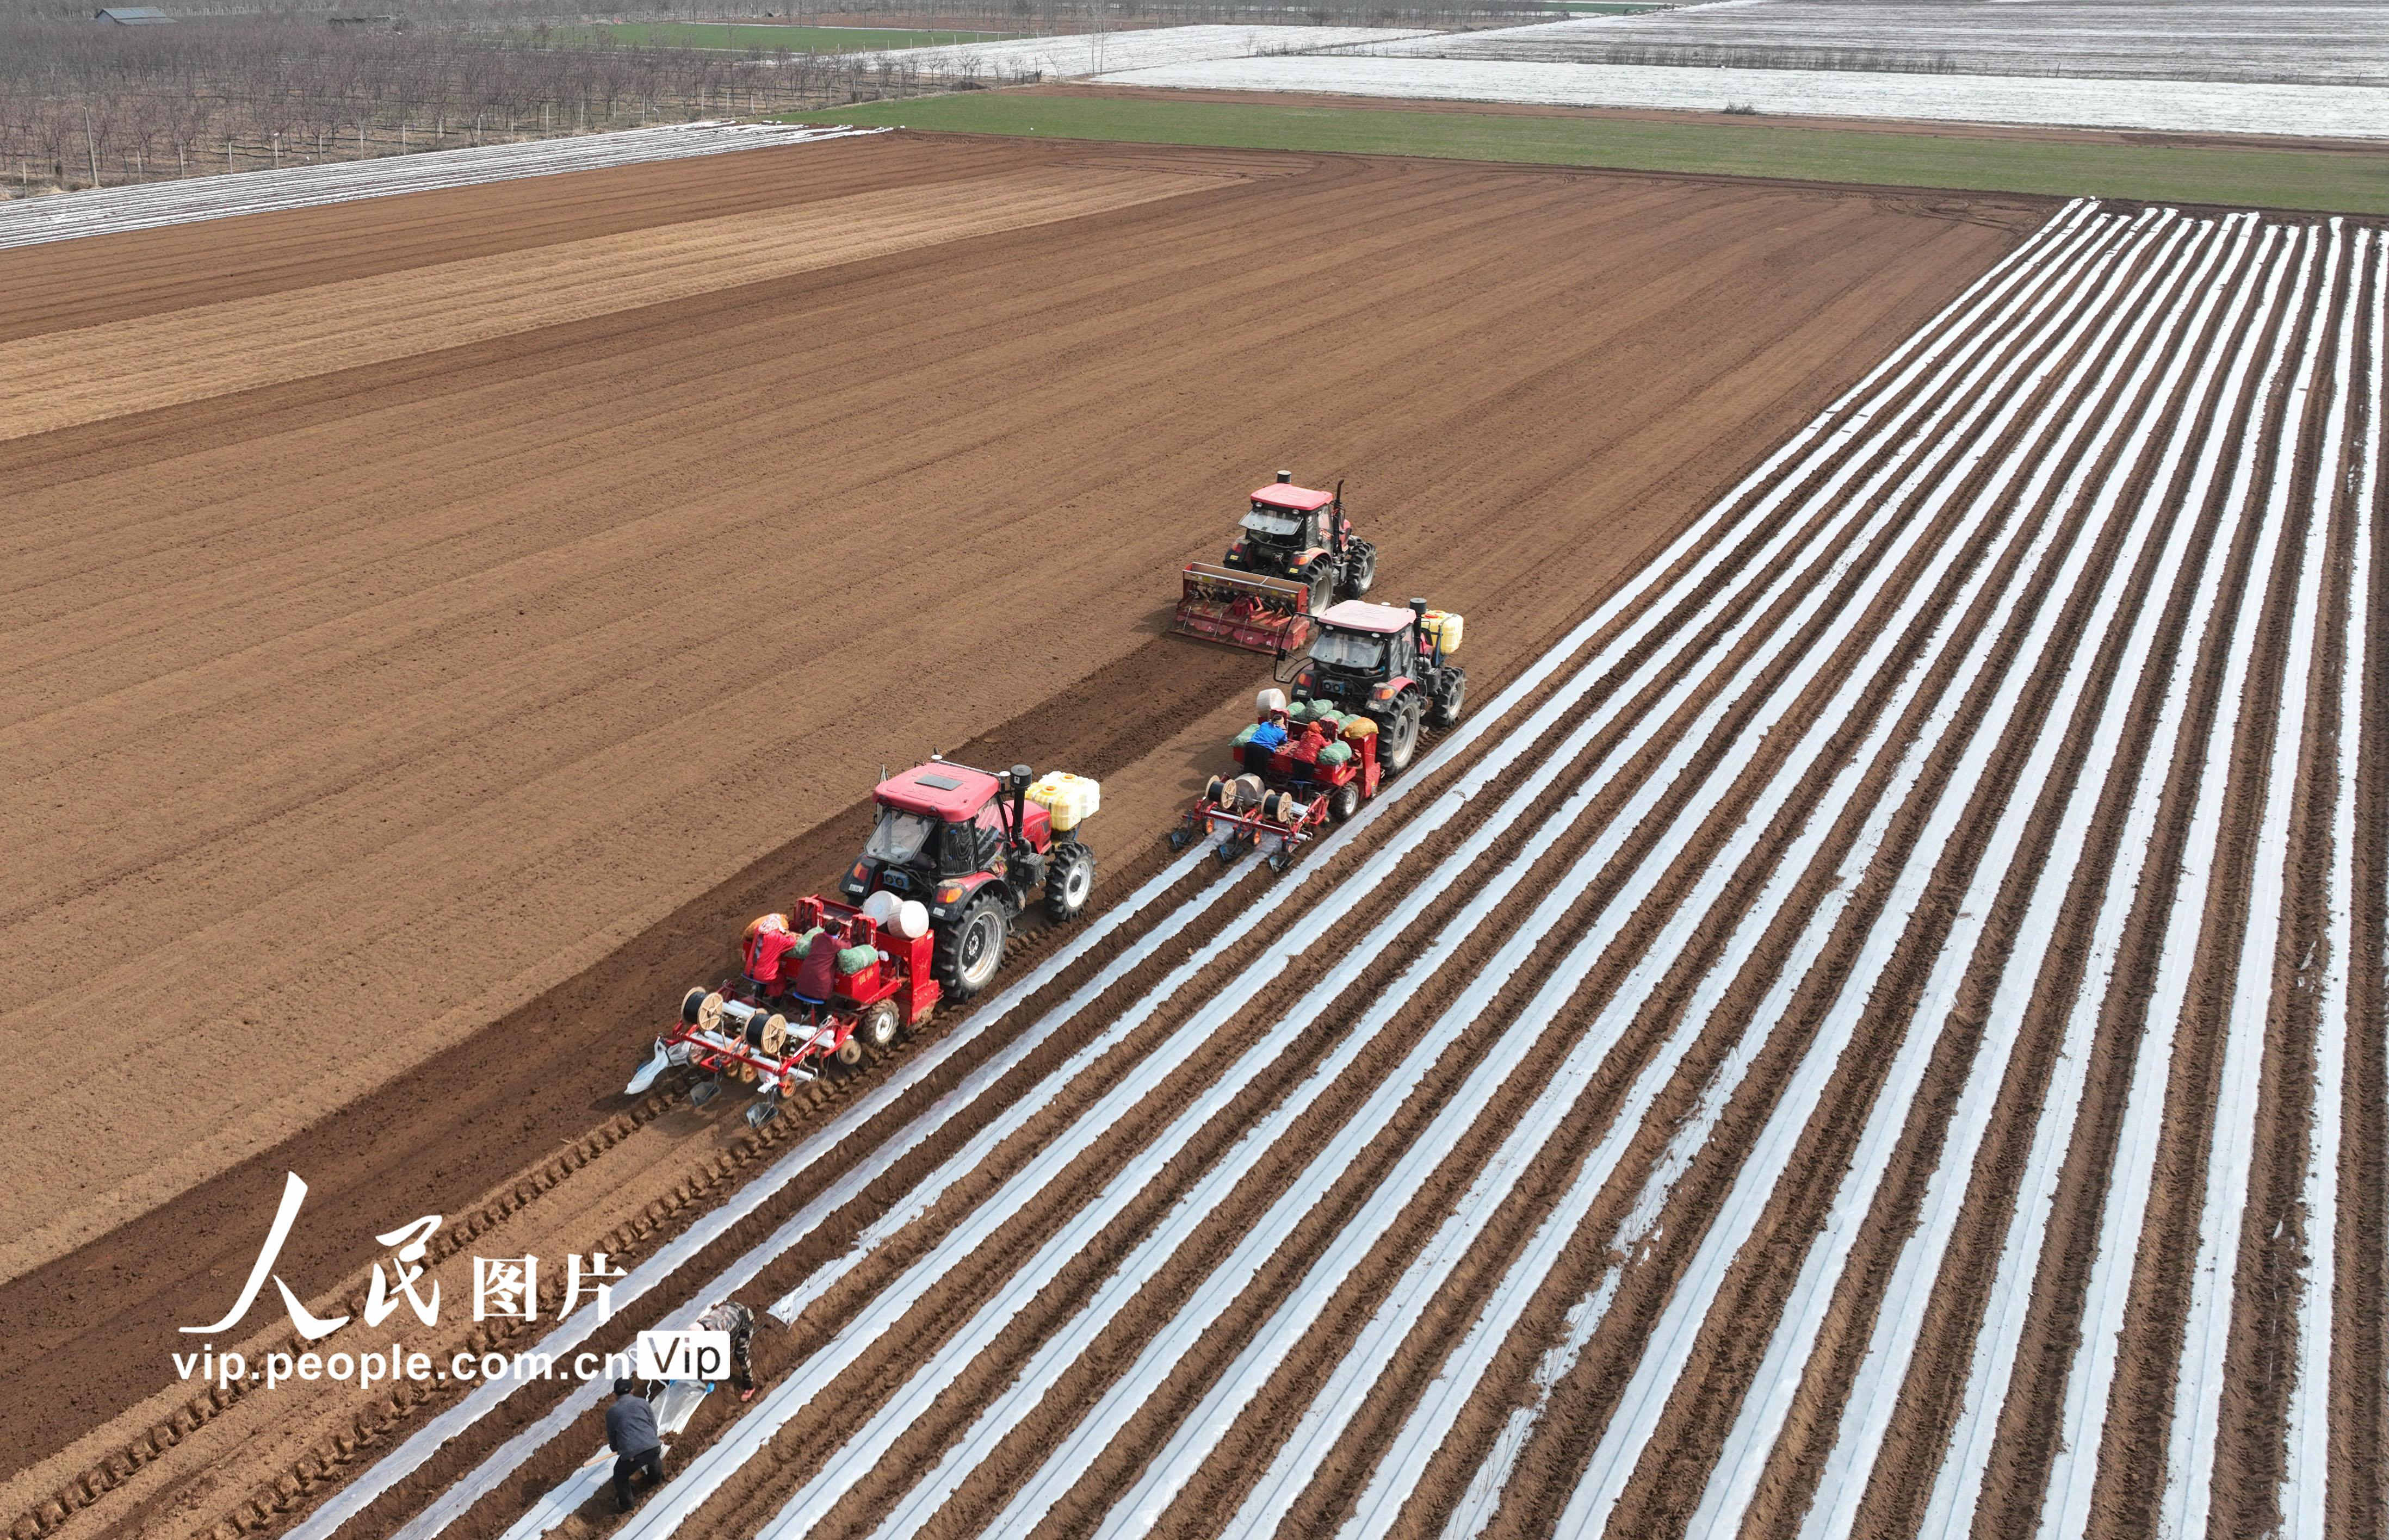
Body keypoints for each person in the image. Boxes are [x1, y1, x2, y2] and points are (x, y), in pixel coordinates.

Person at [606, 1378, 664, 1513]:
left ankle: (627, 1505)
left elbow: (613, 1437)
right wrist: (651, 1439)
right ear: (632, 1391)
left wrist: (616, 1448)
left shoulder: (612, 1413)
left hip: (632, 1454)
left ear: (615, 1394)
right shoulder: (643, 1403)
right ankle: (655, 1481)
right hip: (653, 1446)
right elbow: (653, 1426)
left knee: (619, 1475)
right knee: (653, 1457)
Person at [696, 1297, 759, 1401]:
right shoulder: (701, 1326)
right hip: (729, 1308)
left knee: (741, 1354)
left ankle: (750, 1387)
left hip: (745, 1318)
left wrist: (712, 1381)